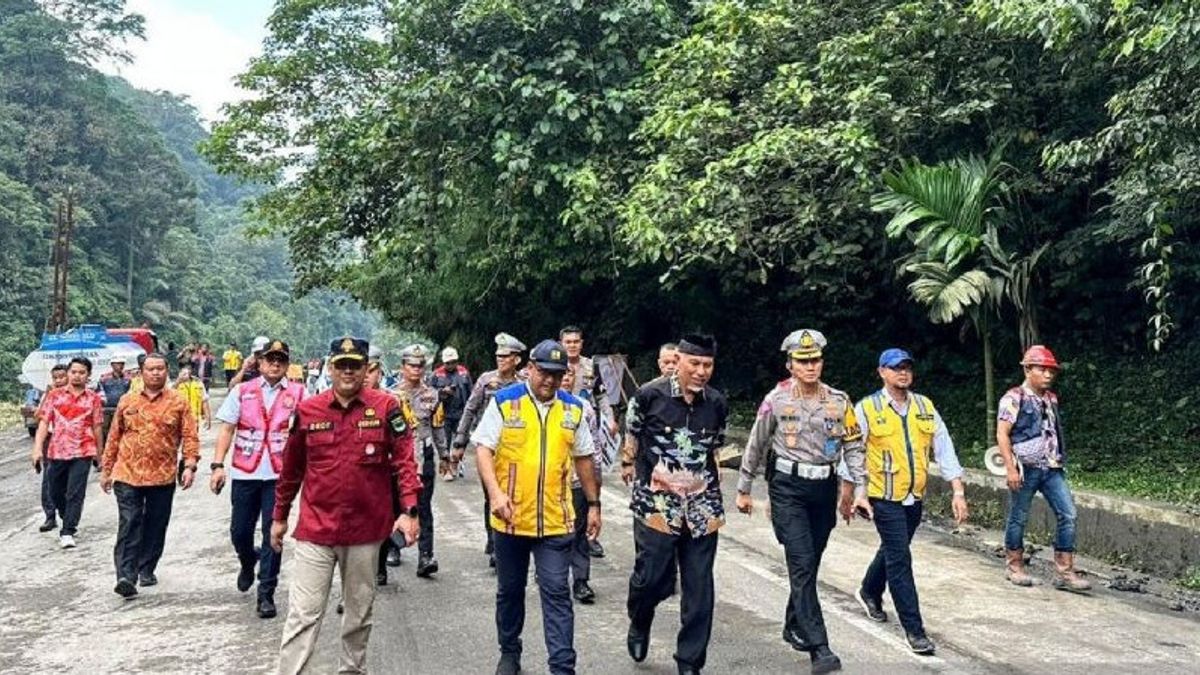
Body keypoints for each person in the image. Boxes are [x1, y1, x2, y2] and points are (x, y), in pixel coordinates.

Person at [271, 336, 421, 675]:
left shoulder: (386, 408)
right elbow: (291, 471)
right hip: (316, 530)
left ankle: (352, 671)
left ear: (367, 368)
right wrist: (279, 517)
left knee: (358, 614)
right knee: (303, 615)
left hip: (366, 532)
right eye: (342, 365)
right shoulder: (308, 412)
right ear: (330, 367)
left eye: (356, 365)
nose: (349, 372)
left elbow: (404, 463)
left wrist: (410, 510)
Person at [736, 330, 864, 673]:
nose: (810, 366)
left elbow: (853, 445)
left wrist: (859, 489)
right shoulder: (776, 399)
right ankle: (819, 646)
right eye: (803, 361)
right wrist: (744, 487)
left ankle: (794, 622)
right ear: (790, 365)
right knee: (803, 560)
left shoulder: (839, 400)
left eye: (815, 359)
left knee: (809, 562)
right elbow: (756, 442)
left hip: (823, 489)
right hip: (787, 488)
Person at [474, 340, 600, 675]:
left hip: (556, 521)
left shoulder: (573, 410)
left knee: (557, 591)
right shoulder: (504, 402)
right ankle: (509, 652)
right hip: (511, 519)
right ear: (530, 367)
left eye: (557, 375)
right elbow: (484, 449)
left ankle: (562, 666)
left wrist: (594, 504)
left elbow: (584, 458)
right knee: (510, 591)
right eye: (544, 372)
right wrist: (496, 494)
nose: (550, 380)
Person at [839, 348, 969, 655]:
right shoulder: (867, 408)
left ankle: (869, 590)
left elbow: (944, 447)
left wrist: (958, 491)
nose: (903, 373)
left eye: (907, 368)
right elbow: (852, 451)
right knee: (900, 560)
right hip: (882, 496)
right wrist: (851, 494)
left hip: (914, 496)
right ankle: (914, 630)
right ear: (882, 372)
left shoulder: (924, 406)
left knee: (894, 550)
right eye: (896, 368)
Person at [621, 334, 727, 675]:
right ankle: (640, 618)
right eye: (694, 364)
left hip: (702, 504)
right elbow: (633, 437)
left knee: (699, 587)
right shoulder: (649, 396)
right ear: (677, 361)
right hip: (657, 502)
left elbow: (715, 448)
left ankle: (690, 662)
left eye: (707, 365)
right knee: (653, 578)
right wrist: (631, 470)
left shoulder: (717, 402)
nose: (700, 371)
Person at [209, 339, 306, 618]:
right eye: (270, 359)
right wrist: (217, 465)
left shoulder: (299, 393)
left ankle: (266, 592)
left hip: (279, 474)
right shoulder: (243, 391)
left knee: (272, 533)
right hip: (245, 471)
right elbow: (227, 429)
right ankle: (247, 559)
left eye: (280, 360)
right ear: (260, 363)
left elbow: (309, 434)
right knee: (239, 532)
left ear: (287, 365)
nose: (275, 364)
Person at [100, 353, 201, 597]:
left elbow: (189, 436)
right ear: (141, 373)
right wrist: (106, 470)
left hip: (162, 475)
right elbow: (113, 437)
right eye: (150, 369)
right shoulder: (127, 400)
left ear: (167, 372)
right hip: (128, 473)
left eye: (160, 369)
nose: (155, 373)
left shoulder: (178, 402)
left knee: (156, 523)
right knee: (130, 521)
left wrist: (189, 465)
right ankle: (125, 575)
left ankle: (146, 567)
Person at [997, 345, 1090, 592]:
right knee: (1019, 516)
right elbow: (1002, 434)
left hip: (1052, 467)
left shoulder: (1051, 398)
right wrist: (1010, 469)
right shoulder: (1013, 398)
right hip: (1026, 468)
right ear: (1028, 369)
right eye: (1042, 369)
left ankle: (1064, 572)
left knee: (1068, 513)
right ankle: (1014, 566)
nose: (1048, 375)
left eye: (1052, 371)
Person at [452, 332, 527, 568]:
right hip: (490, 448)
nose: (500, 360)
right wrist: (459, 442)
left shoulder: (525, 383)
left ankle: (513, 536)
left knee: (516, 493)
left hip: (517, 448)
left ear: (516, 359)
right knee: (491, 494)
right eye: (498, 356)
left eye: (506, 356)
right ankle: (494, 541)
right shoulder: (486, 380)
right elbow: (470, 409)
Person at [31, 357, 104, 549]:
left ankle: (68, 530)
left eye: (82, 372)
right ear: (69, 373)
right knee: (54, 491)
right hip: (57, 450)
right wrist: (37, 448)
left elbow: (97, 427)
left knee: (75, 492)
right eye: (74, 372)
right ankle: (66, 515)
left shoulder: (93, 399)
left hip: (83, 450)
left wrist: (100, 454)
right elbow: (44, 423)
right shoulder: (54, 395)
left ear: (88, 376)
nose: (77, 376)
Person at [559, 325, 616, 559]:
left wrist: (610, 419)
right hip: (561, 428)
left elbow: (601, 395)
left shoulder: (590, 366)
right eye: (568, 341)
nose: (572, 345)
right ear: (561, 343)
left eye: (576, 341)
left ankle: (591, 533)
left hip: (588, 428)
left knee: (593, 478)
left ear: (582, 343)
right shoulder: (554, 365)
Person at [393, 344, 448, 578]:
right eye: (411, 365)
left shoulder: (432, 395)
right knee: (395, 505)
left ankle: (426, 556)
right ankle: (393, 548)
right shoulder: (391, 396)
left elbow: (438, 427)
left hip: (424, 455)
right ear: (403, 367)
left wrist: (444, 455)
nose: (416, 369)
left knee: (423, 507)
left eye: (420, 366)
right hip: (398, 458)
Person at [560, 367, 604, 605]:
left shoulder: (582, 407)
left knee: (578, 532)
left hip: (577, 481)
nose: (565, 378)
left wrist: (596, 486)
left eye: (569, 374)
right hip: (549, 482)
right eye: (561, 373)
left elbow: (594, 449)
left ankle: (580, 580)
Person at [32, 364, 69, 532]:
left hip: (68, 441)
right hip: (50, 439)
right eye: (56, 378)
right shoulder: (48, 394)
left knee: (66, 479)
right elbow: (38, 415)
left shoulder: (74, 395)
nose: (59, 381)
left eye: (62, 377)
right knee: (48, 478)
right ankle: (50, 516)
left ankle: (67, 514)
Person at [429, 346, 472, 479]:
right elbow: (429, 393)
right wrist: (442, 391)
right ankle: (446, 469)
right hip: (443, 414)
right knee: (444, 443)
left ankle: (455, 463)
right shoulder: (437, 374)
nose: (450, 365)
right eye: (448, 363)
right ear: (443, 362)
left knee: (461, 441)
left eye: (453, 362)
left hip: (461, 413)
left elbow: (471, 392)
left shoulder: (464, 373)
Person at [97, 357, 132, 446]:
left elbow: (131, 392)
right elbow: (100, 392)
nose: (119, 366)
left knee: (123, 431)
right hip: (107, 410)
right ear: (112, 365)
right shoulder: (104, 378)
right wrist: (103, 402)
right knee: (106, 432)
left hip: (123, 410)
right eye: (117, 363)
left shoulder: (129, 378)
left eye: (121, 364)